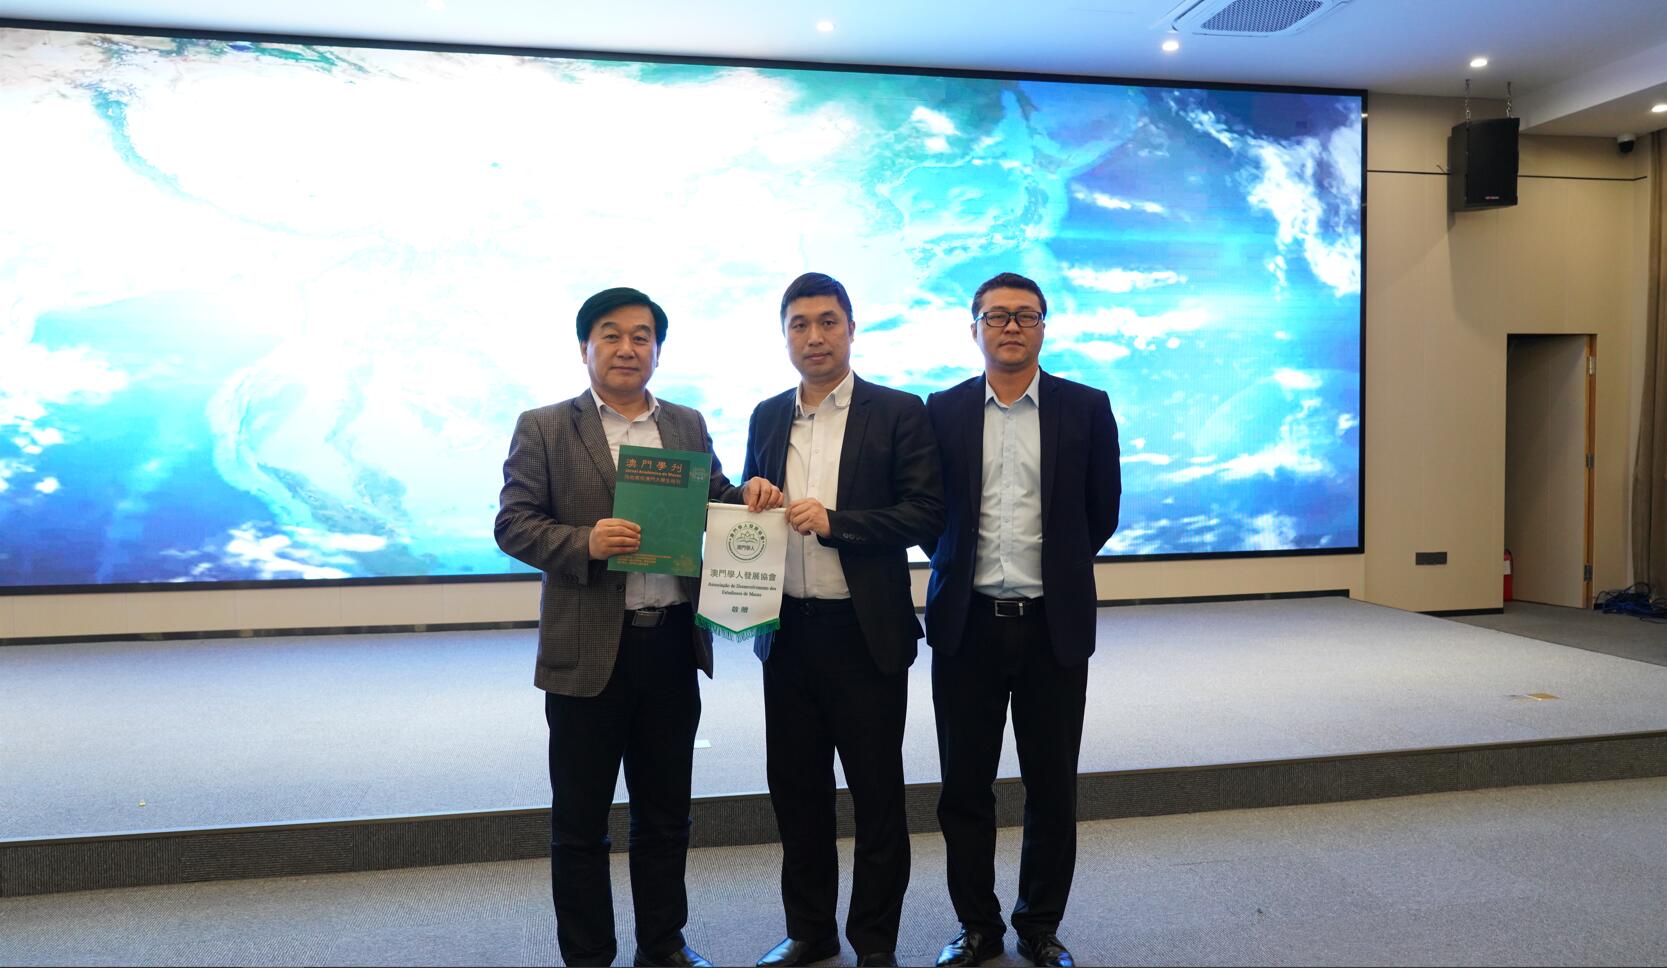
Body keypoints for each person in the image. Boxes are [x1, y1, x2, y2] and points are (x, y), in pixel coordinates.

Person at [494, 286, 783, 968]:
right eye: (612, 334)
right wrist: (585, 542)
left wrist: (750, 495)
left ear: (657, 348)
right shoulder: (544, 426)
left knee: (665, 815)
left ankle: (663, 946)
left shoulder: (685, 423)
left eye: (642, 336)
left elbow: (715, 499)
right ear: (585, 347)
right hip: (587, 652)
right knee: (580, 822)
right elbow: (513, 524)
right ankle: (588, 956)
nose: (628, 348)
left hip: (671, 646)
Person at [742, 272, 945, 968]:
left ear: (852, 329)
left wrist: (837, 524)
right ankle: (810, 931)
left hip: (864, 636)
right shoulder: (768, 415)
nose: (814, 337)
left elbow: (924, 514)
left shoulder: (898, 411)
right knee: (797, 794)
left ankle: (874, 944)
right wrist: (752, 493)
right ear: (785, 337)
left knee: (876, 798)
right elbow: (751, 510)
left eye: (827, 322)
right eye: (799, 325)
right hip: (787, 635)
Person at [923, 273, 1121, 968]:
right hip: (967, 626)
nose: (1011, 326)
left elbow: (1101, 512)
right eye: (997, 315)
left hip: (1051, 626)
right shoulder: (942, 410)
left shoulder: (1086, 406)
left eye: (1025, 315)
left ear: (1043, 326)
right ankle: (976, 926)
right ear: (973, 326)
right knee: (963, 788)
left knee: (1052, 787)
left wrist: (1056, 570)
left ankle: (1039, 925)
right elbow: (931, 516)